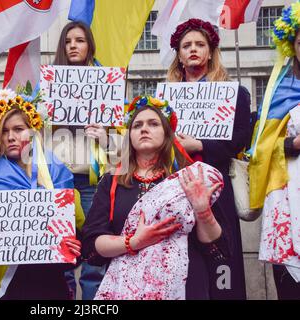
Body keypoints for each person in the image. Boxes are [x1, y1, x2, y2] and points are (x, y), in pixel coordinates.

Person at [82, 95, 229, 299]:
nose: (144, 129)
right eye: (137, 126)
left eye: (153, 124)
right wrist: (133, 242)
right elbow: (92, 243)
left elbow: (216, 246)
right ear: (130, 136)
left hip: (186, 286)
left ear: (167, 133)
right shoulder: (111, 181)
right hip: (127, 288)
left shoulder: (190, 178)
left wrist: (203, 211)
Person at [0, 91, 83, 300]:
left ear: (33, 131)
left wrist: (75, 249)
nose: (11, 137)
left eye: (18, 129)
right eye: (4, 131)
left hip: (47, 287)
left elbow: (77, 232)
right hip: (2, 291)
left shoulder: (57, 172)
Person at [167, 18, 250, 299]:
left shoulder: (235, 93)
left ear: (210, 51)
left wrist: (199, 143)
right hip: (177, 189)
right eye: (186, 45)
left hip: (217, 190)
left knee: (221, 260)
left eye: (199, 44)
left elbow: (240, 137)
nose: (193, 49)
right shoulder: (164, 100)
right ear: (178, 54)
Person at [52, 20, 110, 300]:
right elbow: (35, 135)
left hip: (91, 181)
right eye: (68, 41)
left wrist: (106, 137)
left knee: (92, 251)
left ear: (90, 46)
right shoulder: (47, 86)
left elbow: (123, 145)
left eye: (80, 40)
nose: (73, 45)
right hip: (57, 181)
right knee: (60, 250)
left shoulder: (107, 85)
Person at [249, 2, 300, 300]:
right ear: (291, 44)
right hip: (286, 197)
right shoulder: (277, 91)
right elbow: (259, 147)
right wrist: (291, 144)